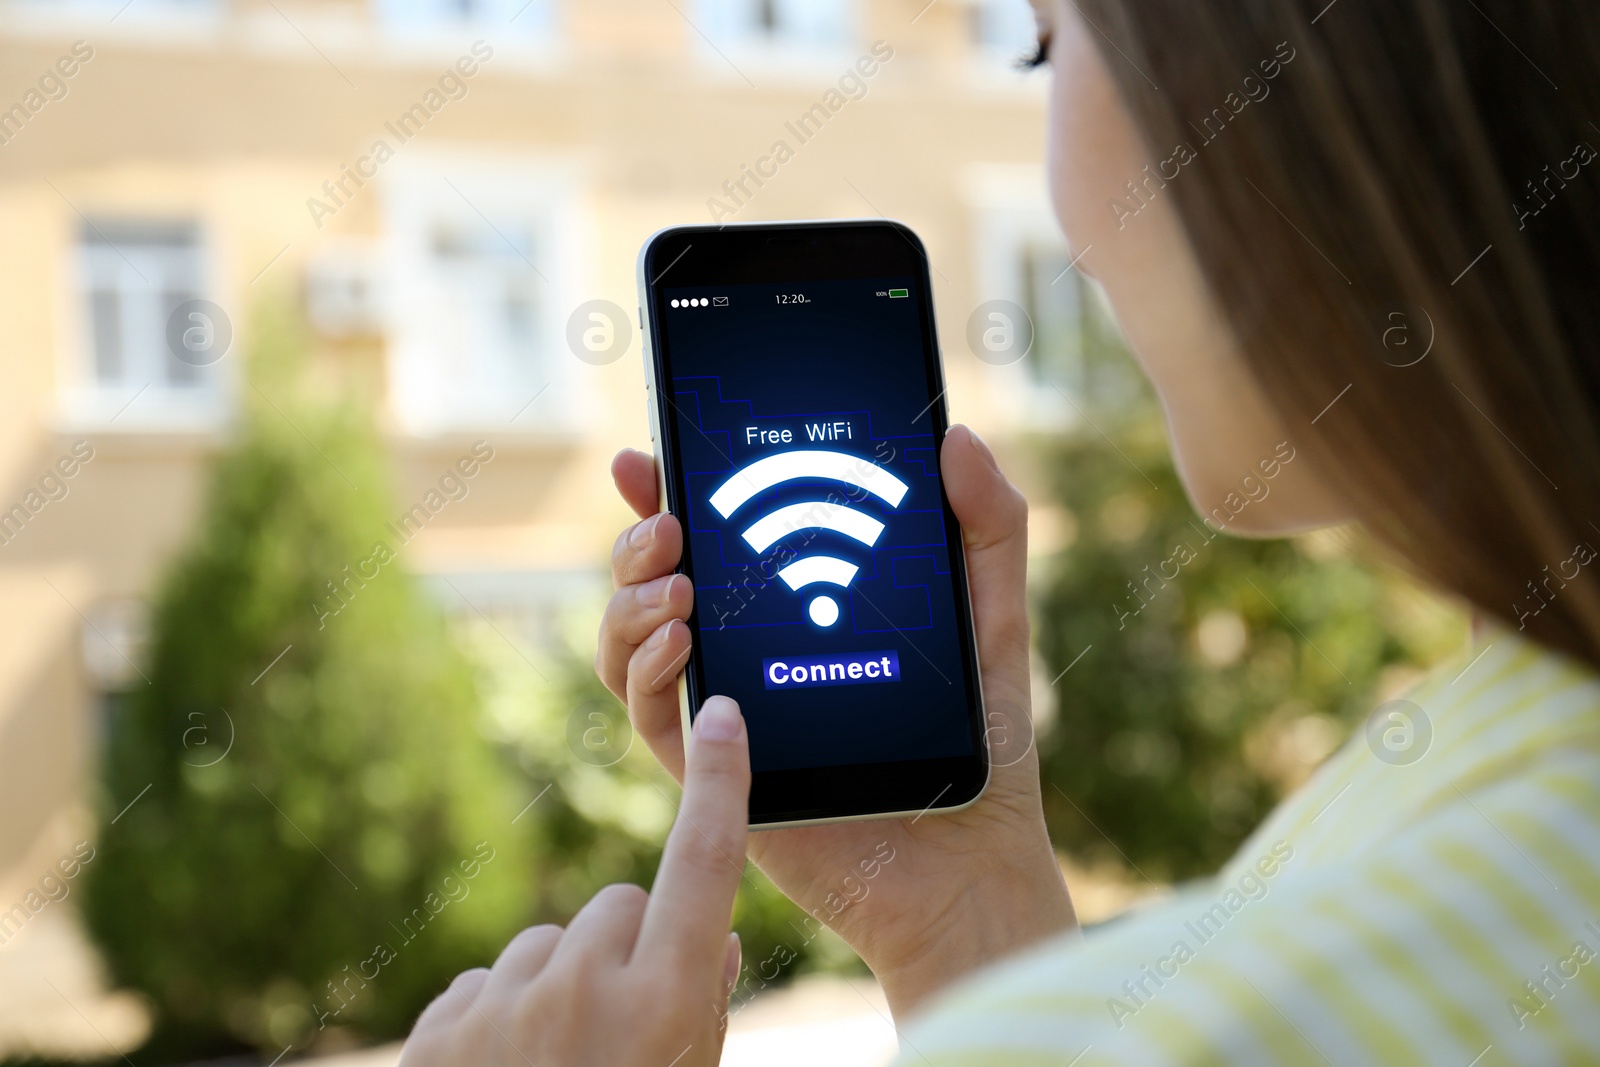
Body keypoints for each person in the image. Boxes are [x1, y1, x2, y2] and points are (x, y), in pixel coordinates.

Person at [399, 0, 1600, 1062]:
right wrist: (962, 914)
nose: (1074, 228)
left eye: (1045, 45)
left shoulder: (1334, 981)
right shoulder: (1498, 776)